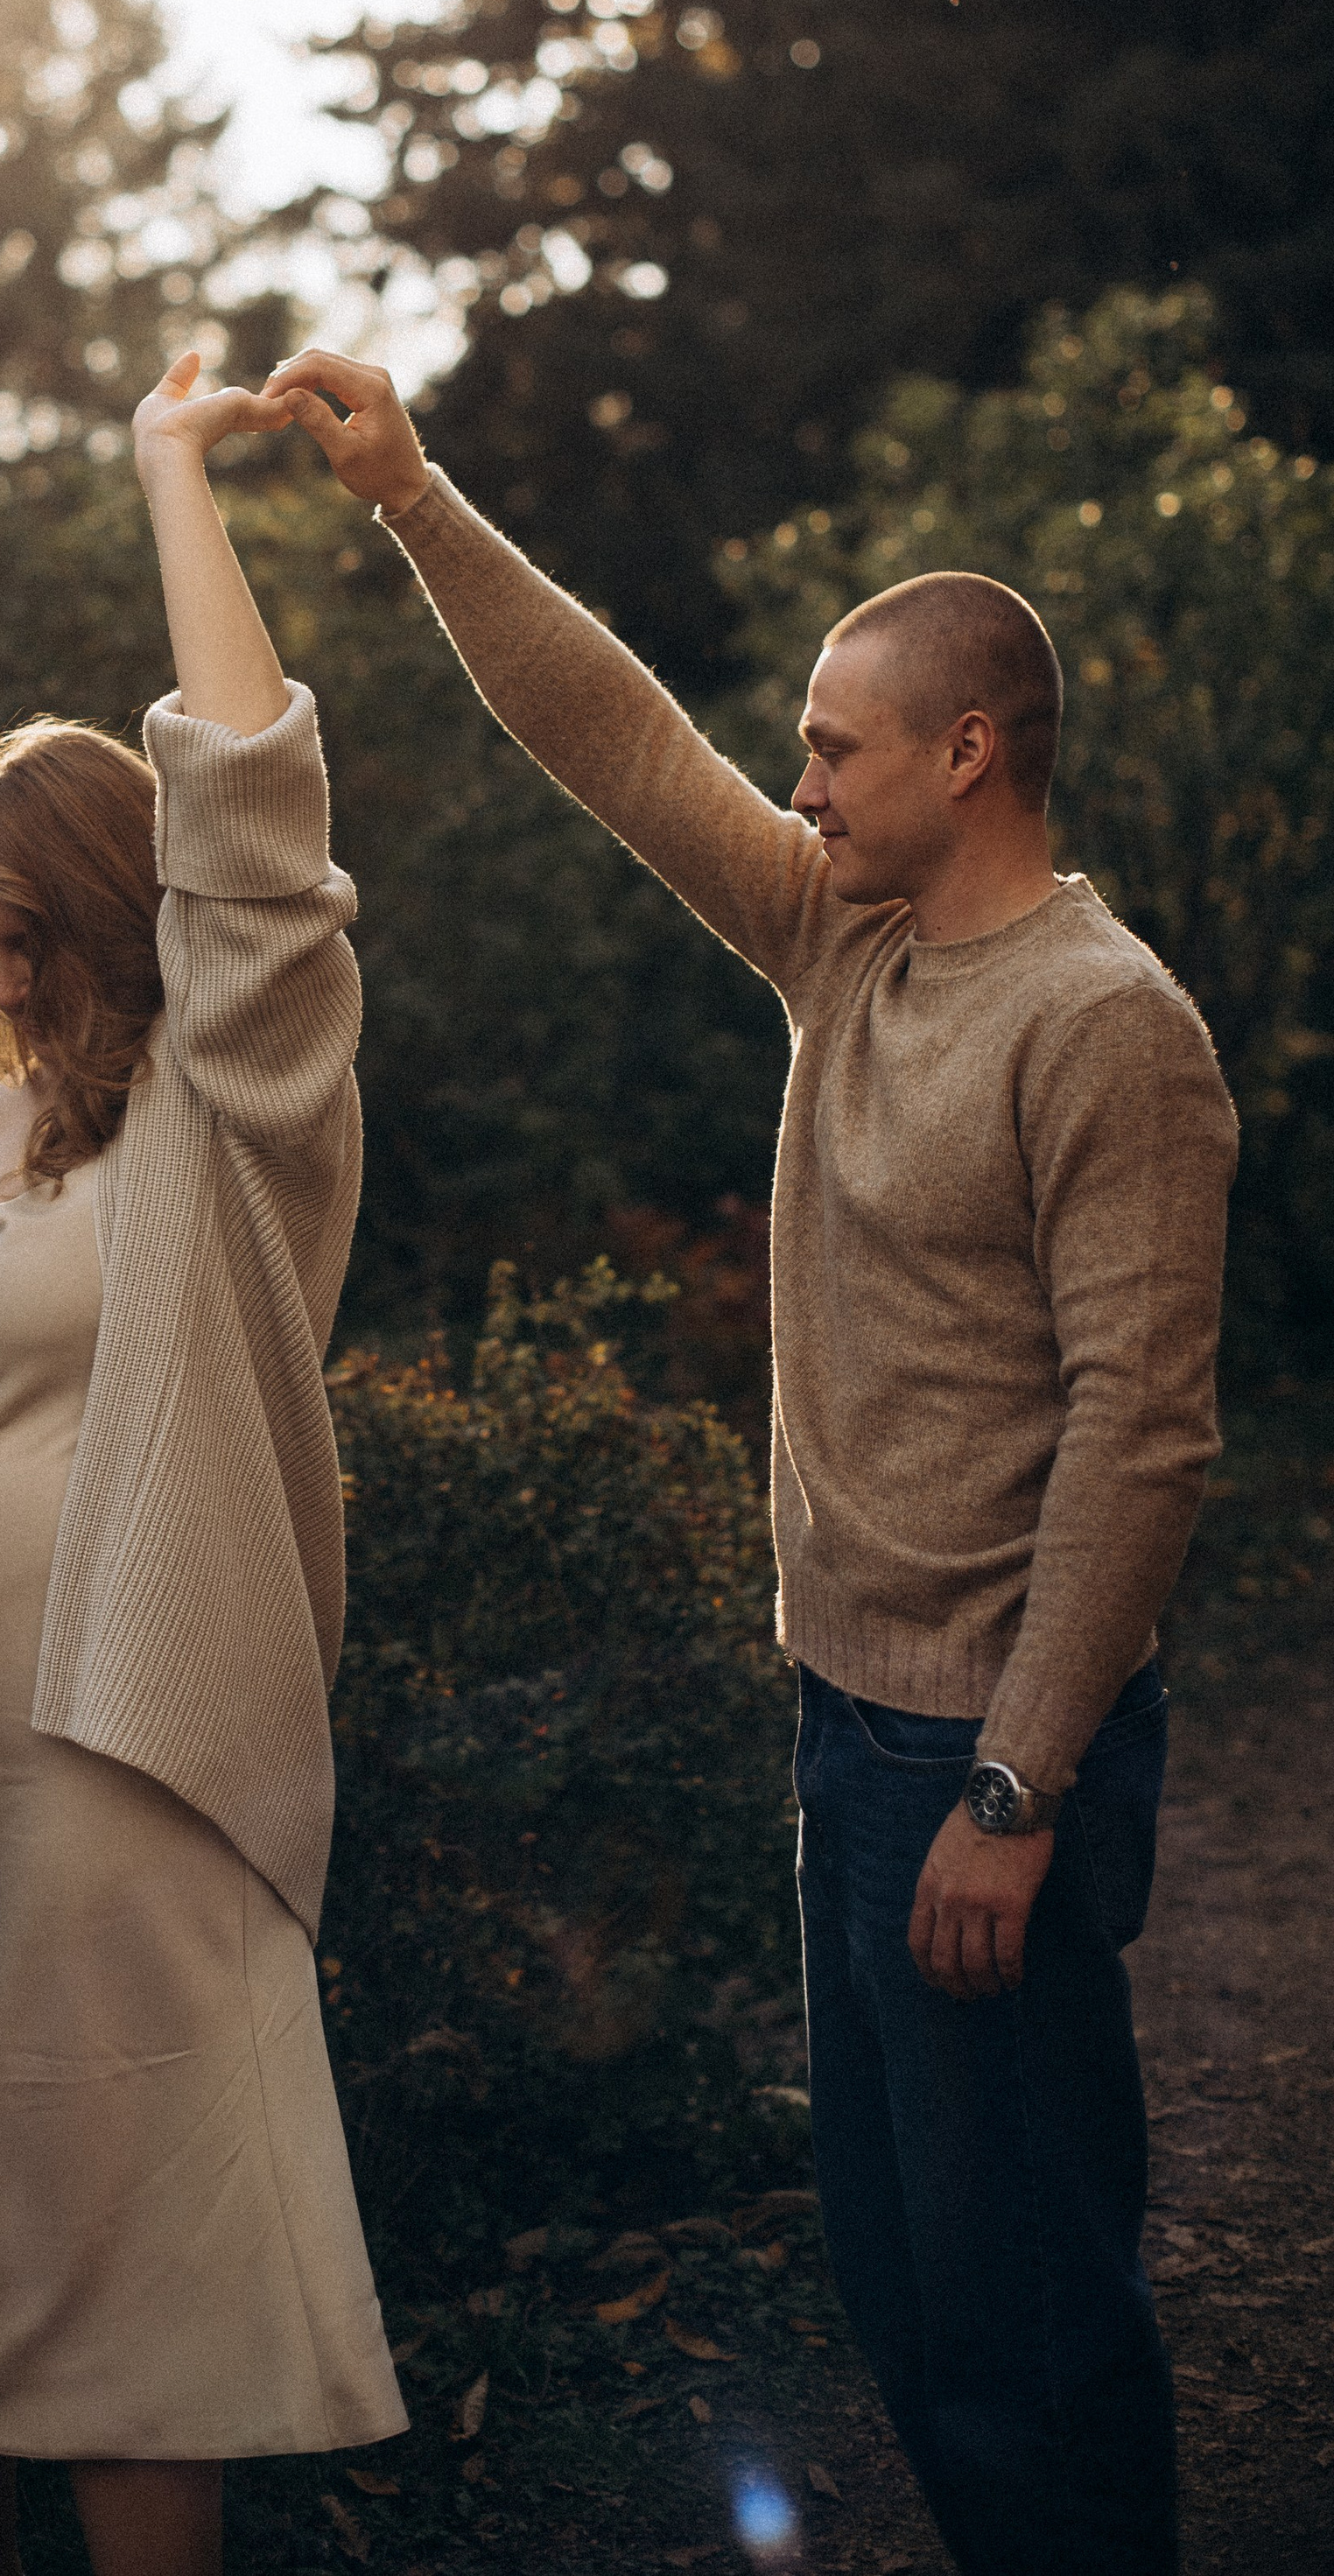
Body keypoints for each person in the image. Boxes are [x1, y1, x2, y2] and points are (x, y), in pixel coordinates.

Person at [265, 344, 1236, 2576]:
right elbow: (612, 737)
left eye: (833, 740)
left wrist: (1013, 1784)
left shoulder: (1108, 1030)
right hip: (844, 1718)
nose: (791, 774)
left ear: (966, 752)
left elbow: (1142, 1435)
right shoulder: (843, 941)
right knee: (904, 2287)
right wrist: (411, 496)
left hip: (987, 1751)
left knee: (1022, 2310)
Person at [0, 349, 404, 2576]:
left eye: (21, 941)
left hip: (125, 1795)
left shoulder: (229, 1125)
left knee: (132, 2318)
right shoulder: (7, 1120)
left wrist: (161, 470)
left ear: (117, 918)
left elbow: (261, 835)